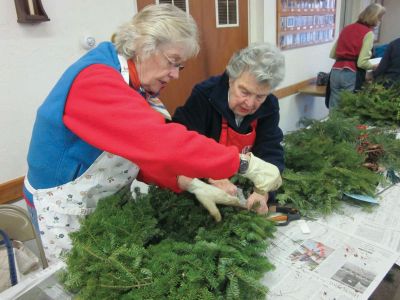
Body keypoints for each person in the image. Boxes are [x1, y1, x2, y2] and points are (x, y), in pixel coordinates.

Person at [23, 4, 282, 261]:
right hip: (66, 208)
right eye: (173, 62)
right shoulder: (96, 80)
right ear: (143, 45)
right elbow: (163, 143)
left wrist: (189, 183)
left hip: (103, 201)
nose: (175, 75)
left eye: (179, 67)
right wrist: (241, 163)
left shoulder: (137, 86)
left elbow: (139, 154)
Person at [173, 43, 285, 214]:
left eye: (260, 96)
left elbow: (270, 149)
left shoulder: (269, 105)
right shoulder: (204, 96)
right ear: (231, 79)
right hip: (203, 193)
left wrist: (263, 192)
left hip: (240, 186)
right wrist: (211, 175)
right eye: (244, 92)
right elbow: (182, 146)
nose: (249, 103)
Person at [327, 3, 386, 109]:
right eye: (379, 18)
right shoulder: (368, 33)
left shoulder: (346, 28)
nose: (380, 21)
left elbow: (333, 54)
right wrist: (375, 66)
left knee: (334, 107)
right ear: (374, 17)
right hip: (351, 73)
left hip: (335, 71)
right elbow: (361, 62)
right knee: (347, 108)